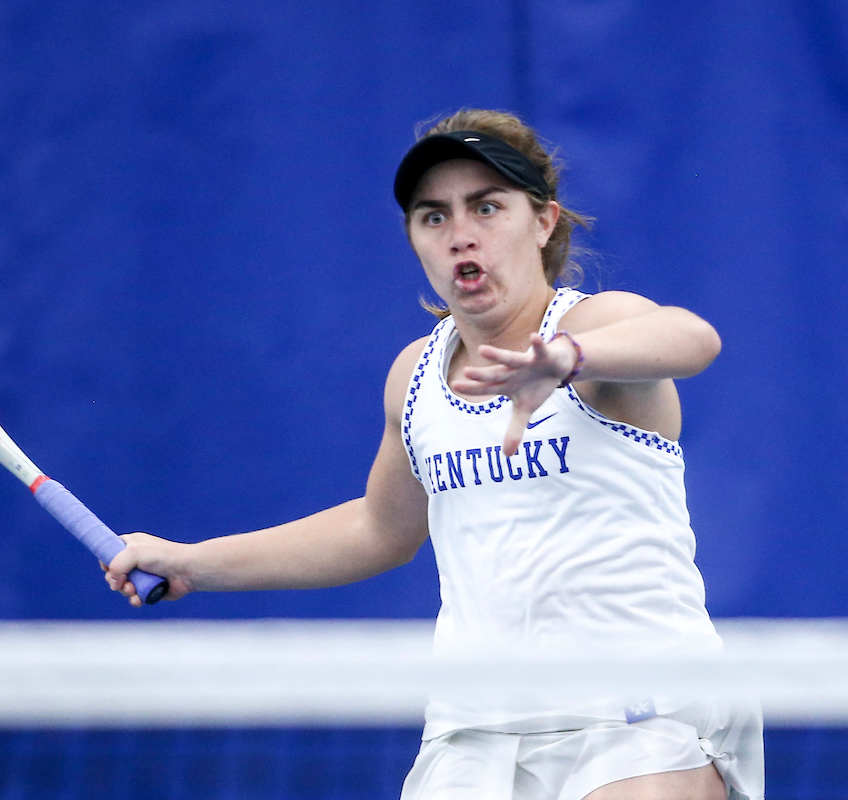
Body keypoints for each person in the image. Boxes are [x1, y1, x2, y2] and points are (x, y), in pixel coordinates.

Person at [103, 109, 764, 800]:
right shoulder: (413, 377)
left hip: (639, 713)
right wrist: (191, 563)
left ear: (543, 222)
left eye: (487, 207)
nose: (461, 235)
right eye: (434, 216)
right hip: (476, 727)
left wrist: (566, 358)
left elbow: (692, 339)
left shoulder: (596, 329)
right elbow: (378, 531)